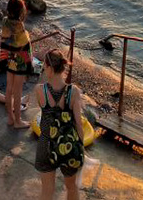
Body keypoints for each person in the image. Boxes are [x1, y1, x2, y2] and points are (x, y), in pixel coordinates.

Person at [34, 48, 85, 199]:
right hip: (68, 144)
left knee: (47, 190)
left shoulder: (39, 90)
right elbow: (79, 124)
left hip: (46, 145)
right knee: (71, 187)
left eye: (44, 67)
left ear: (49, 68)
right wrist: (80, 147)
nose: (43, 70)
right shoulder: (73, 91)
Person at [1, 0, 33, 128]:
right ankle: (18, 121)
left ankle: (10, 118)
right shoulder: (20, 27)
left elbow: (4, 42)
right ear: (21, 11)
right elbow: (25, 49)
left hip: (8, 58)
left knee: (9, 89)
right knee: (17, 91)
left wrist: (3, 60)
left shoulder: (4, 22)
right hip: (19, 61)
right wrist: (29, 65)